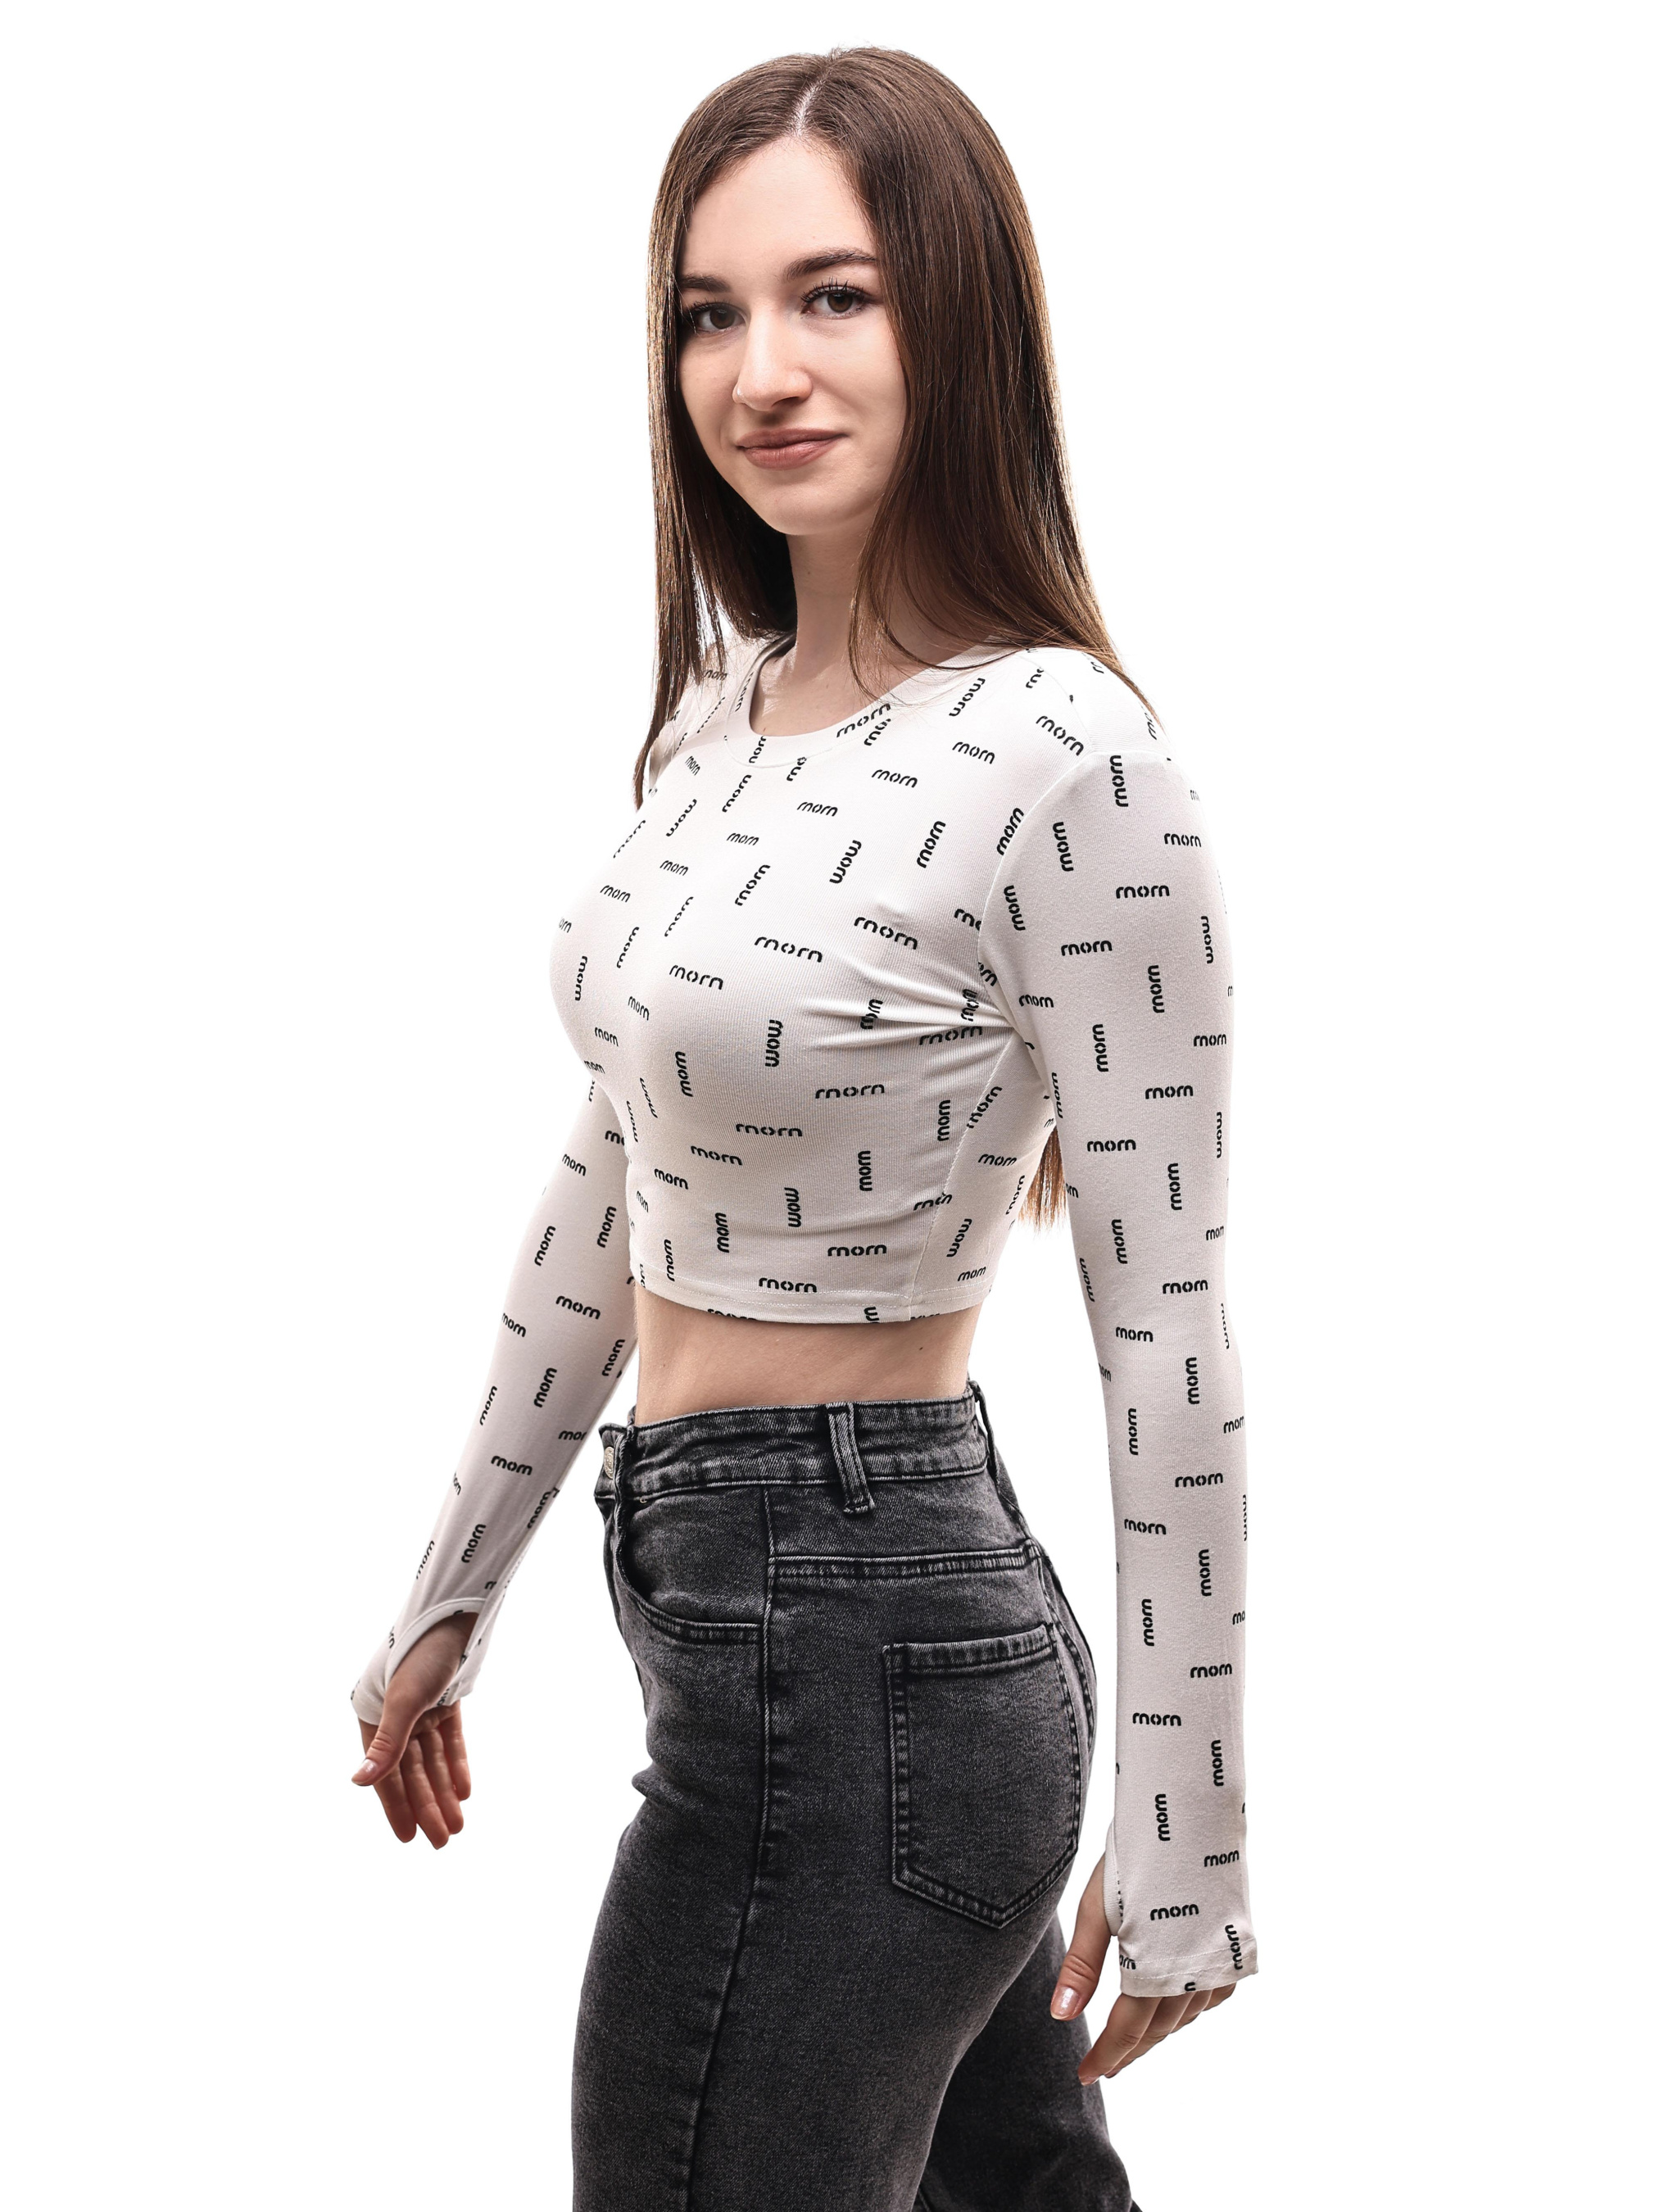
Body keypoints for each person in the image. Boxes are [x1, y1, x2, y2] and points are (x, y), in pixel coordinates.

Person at [348, 46, 1255, 2212]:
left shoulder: (1067, 753)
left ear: (960, 318)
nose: (759, 370)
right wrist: (454, 1581)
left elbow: (1167, 1324)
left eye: (832, 295)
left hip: (869, 1651)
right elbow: (610, 1177)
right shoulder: (716, 725)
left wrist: (1194, 1829)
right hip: (764, 1611)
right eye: (708, 311)